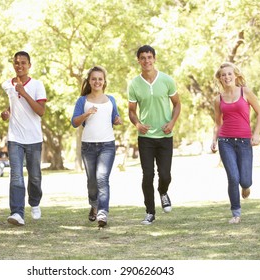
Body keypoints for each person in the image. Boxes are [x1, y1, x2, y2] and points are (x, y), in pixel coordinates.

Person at [128, 45, 181, 225]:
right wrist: (137, 124)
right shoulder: (134, 84)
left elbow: (177, 105)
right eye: (143, 58)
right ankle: (150, 212)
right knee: (147, 174)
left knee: (165, 175)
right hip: (146, 138)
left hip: (165, 135)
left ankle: (163, 191)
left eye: (149, 57)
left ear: (154, 59)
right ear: (138, 61)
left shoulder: (166, 80)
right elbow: (131, 111)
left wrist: (172, 123)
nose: (146, 61)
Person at [211, 62, 260, 224]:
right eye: (223, 75)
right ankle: (236, 213)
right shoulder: (217, 99)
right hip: (225, 141)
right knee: (233, 177)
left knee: (245, 181)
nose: (226, 77)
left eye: (229, 74)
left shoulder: (245, 92)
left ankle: (246, 186)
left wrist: (256, 134)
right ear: (219, 79)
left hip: (244, 141)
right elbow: (218, 123)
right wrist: (214, 139)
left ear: (235, 75)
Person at [71, 66, 122, 227]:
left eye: (100, 79)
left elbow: (115, 118)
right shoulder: (82, 100)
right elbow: (74, 122)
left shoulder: (111, 100)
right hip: (88, 147)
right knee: (92, 182)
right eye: (94, 79)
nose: (97, 82)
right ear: (89, 81)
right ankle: (94, 205)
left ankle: (102, 213)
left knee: (102, 178)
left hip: (107, 145)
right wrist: (87, 113)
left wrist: (117, 120)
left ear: (104, 81)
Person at [1, 51, 47, 226]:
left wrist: (24, 92)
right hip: (15, 137)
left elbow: (40, 111)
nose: (19, 66)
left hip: (34, 138)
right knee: (16, 176)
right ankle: (17, 213)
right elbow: (13, 105)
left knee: (34, 176)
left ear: (29, 65)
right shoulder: (7, 85)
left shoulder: (37, 85)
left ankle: (34, 202)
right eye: (16, 63)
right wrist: (6, 113)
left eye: (23, 63)